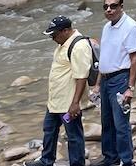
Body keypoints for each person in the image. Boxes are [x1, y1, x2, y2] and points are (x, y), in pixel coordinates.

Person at [25, 17, 92, 166]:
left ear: (66, 31)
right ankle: (46, 160)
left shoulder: (79, 46)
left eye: (54, 35)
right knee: (49, 129)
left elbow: (81, 77)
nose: (52, 38)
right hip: (56, 100)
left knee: (73, 136)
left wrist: (75, 103)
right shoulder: (63, 43)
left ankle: (77, 163)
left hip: (69, 102)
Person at [91, 0, 136, 166]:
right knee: (107, 122)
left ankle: (127, 161)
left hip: (120, 79)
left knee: (121, 125)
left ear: (121, 7)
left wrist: (130, 88)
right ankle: (110, 158)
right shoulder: (107, 27)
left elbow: (134, 58)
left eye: (113, 6)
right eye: (106, 7)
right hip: (105, 80)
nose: (109, 10)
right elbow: (104, 57)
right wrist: (97, 85)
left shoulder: (130, 26)